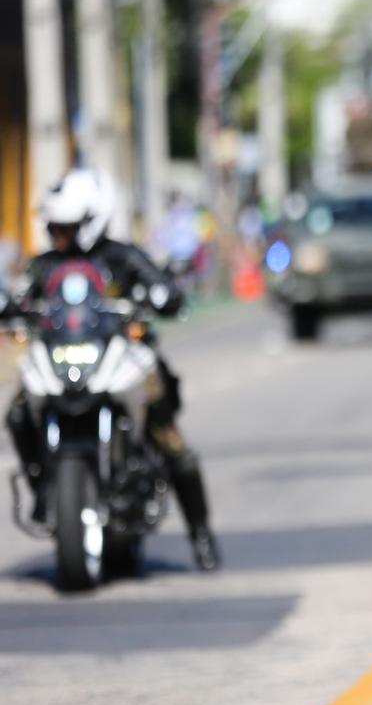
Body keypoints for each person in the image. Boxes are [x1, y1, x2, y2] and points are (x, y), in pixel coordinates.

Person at [6, 170, 221, 572]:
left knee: (170, 439)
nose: (57, 235)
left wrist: (163, 295)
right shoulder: (45, 266)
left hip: (121, 359)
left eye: (65, 228)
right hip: (64, 359)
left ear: (90, 221)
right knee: (18, 412)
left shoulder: (122, 257)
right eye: (53, 227)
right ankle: (41, 485)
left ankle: (201, 534)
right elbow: (21, 298)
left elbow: (163, 289)